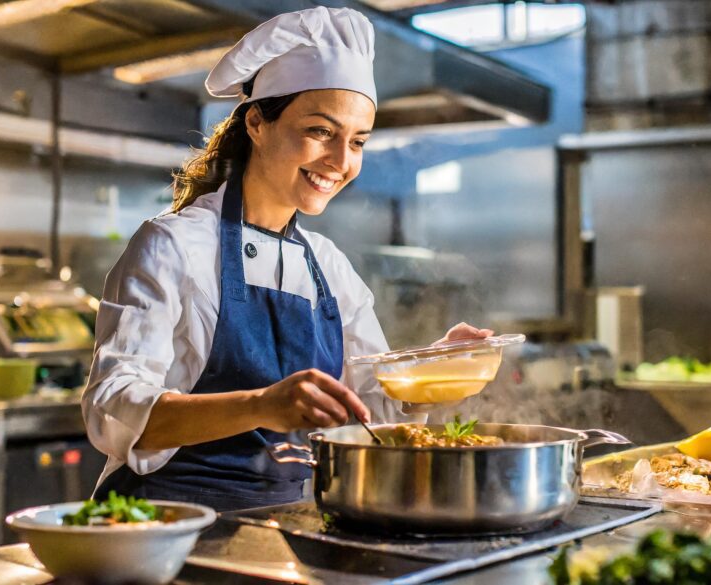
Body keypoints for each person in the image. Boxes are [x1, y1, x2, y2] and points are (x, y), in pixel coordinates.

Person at [82, 6, 493, 512]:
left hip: (280, 522)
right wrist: (261, 405)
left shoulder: (328, 266)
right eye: (321, 131)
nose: (341, 162)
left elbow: (372, 412)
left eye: (357, 141)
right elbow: (112, 408)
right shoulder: (174, 245)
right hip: (161, 524)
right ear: (256, 122)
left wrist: (431, 371)